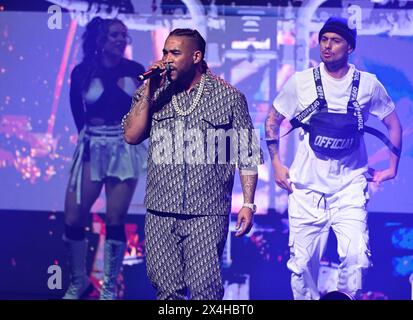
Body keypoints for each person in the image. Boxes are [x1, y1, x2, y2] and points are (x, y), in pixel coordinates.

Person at [265, 17, 402, 300]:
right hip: (306, 190)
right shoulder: (301, 82)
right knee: (302, 268)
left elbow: (393, 123)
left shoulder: (368, 84)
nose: (327, 46)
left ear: (349, 46)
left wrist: (392, 168)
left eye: (335, 40)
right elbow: (273, 119)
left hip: (349, 187)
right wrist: (276, 163)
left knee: (355, 259)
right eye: (324, 39)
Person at [122, 28, 263, 300]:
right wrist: (150, 89)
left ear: (196, 56)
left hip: (207, 213)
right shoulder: (154, 91)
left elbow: (247, 153)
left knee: (205, 292)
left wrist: (248, 203)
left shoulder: (229, 97)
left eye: (175, 53)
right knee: (166, 292)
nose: (167, 59)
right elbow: (131, 135)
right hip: (160, 210)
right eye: (165, 52)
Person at [63, 17, 146, 300]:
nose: (121, 40)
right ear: (101, 39)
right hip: (92, 145)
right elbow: (77, 111)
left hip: (123, 148)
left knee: (115, 217)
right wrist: (90, 138)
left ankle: (109, 288)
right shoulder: (83, 72)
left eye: (124, 36)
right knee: (73, 217)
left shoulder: (136, 72)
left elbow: (146, 110)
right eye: (115, 35)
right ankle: (79, 281)